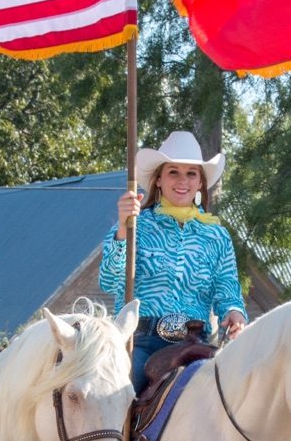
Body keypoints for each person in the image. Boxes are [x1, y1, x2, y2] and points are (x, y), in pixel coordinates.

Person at [99, 130, 247, 391]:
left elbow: (227, 290)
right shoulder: (136, 225)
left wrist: (234, 314)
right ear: (158, 180)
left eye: (191, 173)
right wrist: (123, 228)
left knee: (235, 395)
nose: (183, 181)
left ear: (200, 182)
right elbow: (110, 281)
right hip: (141, 340)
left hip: (196, 342)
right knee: (121, 394)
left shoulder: (216, 235)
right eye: (173, 172)